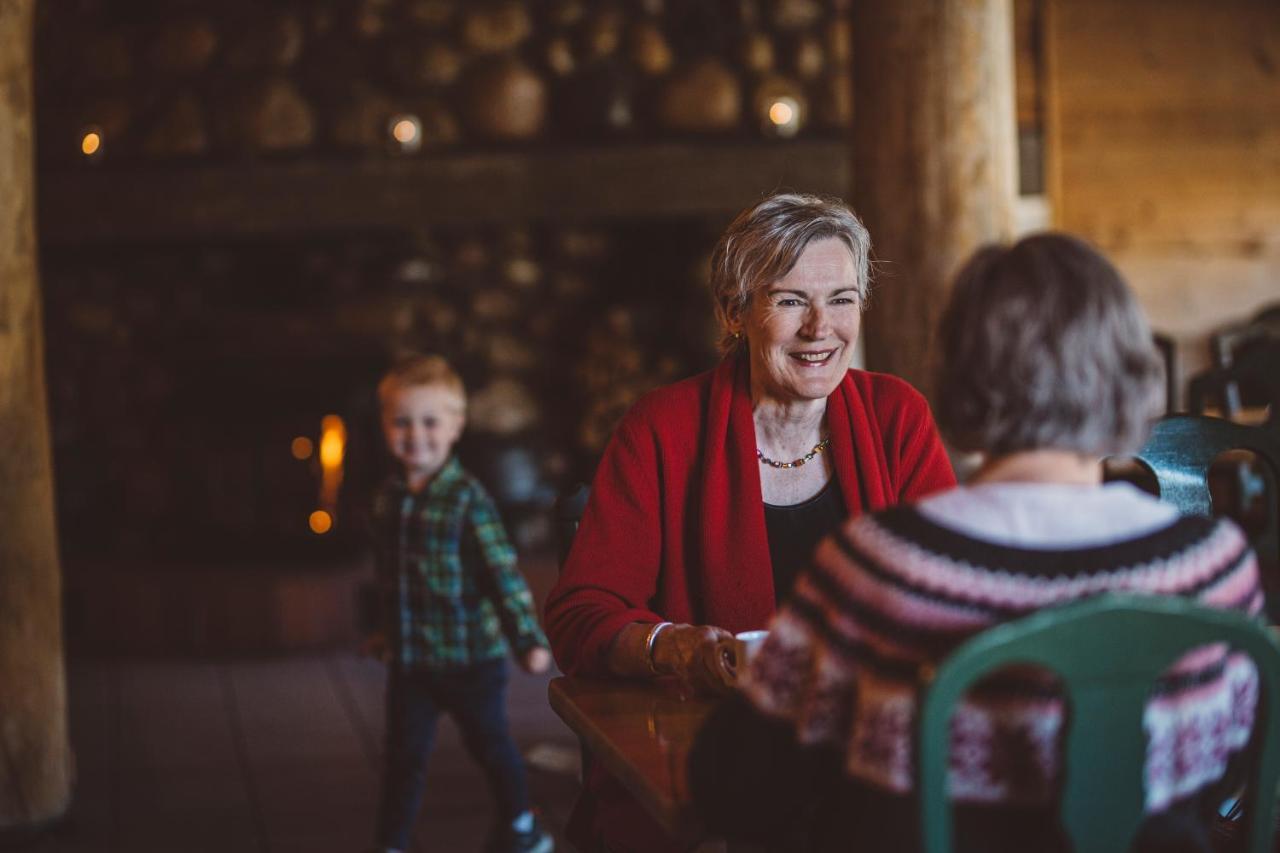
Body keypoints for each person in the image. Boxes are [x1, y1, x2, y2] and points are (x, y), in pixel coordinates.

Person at [688, 233, 1264, 853]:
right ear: (1131, 374)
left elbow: (732, 790)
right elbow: (1235, 778)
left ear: (958, 376)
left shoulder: (879, 567)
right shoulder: (1216, 568)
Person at [544, 193, 957, 851]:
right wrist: (676, 645)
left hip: (870, 745)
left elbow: (950, 588)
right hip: (716, 751)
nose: (822, 326)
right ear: (735, 311)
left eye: (843, 299)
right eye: (791, 299)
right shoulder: (661, 429)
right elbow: (580, 612)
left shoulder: (897, 417)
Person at [368, 354, 555, 853]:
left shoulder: (469, 501)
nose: (416, 434)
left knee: (490, 746)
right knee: (402, 758)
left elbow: (502, 576)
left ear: (455, 427)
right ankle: (391, 844)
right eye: (401, 422)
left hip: (472, 660)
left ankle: (522, 825)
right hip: (412, 663)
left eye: (430, 421)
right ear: (385, 425)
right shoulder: (388, 499)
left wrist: (528, 640)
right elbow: (390, 578)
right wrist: (384, 630)